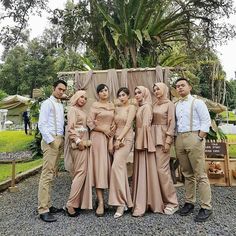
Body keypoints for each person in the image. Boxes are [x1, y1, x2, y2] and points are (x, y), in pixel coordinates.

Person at [175, 77, 212, 222]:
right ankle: (189, 202)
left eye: (182, 85)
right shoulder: (176, 104)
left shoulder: (197, 102)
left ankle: (206, 206)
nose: (180, 88)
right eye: (177, 86)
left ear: (190, 87)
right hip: (180, 138)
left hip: (194, 136)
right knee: (187, 173)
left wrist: (199, 138)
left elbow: (206, 121)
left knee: (200, 173)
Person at [37, 79, 67, 222]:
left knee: (53, 174)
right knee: (46, 175)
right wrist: (51, 141)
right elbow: (42, 125)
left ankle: (48, 205)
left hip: (59, 139)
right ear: (53, 88)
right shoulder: (47, 104)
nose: (61, 92)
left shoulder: (60, 104)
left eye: (63, 90)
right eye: (59, 89)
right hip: (51, 141)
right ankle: (43, 210)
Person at [132, 86, 164, 217]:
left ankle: (144, 203)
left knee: (145, 170)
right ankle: (140, 201)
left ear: (145, 94)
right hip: (140, 140)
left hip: (144, 142)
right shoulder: (141, 107)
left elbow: (146, 126)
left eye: (139, 92)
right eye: (135, 93)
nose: (137, 95)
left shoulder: (146, 107)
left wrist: (142, 143)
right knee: (141, 170)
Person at [87, 84, 115, 217]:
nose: (104, 92)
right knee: (99, 169)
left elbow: (115, 123)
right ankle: (101, 202)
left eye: (106, 90)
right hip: (97, 138)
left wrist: (111, 138)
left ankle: (112, 200)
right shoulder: (94, 106)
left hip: (110, 139)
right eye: (101, 91)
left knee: (109, 169)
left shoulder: (112, 105)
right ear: (98, 94)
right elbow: (90, 122)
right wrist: (103, 129)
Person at [108, 87, 136, 218]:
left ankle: (119, 203)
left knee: (116, 167)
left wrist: (119, 139)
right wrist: (111, 141)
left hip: (126, 139)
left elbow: (128, 125)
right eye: (119, 95)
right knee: (121, 170)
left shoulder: (131, 108)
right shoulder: (116, 109)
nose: (121, 97)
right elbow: (113, 126)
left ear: (128, 96)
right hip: (115, 139)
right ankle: (126, 202)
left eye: (124, 95)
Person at [64, 90, 92, 217]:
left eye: (85, 98)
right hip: (79, 145)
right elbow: (71, 128)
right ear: (76, 97)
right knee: (80, 173)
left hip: (84, 144)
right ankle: (70, 204)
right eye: (81, 97)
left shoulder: (83, 111)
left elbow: (83, 127)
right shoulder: (72, 110)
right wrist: (78, 140)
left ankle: (76, 203)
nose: (83, 100)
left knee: (81, 173)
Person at [152, 82, 179, 215]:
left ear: (164, 90)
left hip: (162, 139)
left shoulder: (169, 104)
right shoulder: (154, 104)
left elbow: (171, 123)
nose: (156, 91)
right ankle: (160, 200)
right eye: (154, 89)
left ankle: (173, 202)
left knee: (162, 170)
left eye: (158, 89)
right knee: (154, 171)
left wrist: (168, 140)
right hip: (152, 139)